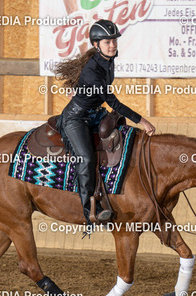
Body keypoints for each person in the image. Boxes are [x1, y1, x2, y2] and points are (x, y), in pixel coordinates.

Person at [54, 19, 155, 224]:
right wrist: (143, 121)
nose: (112, 45)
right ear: (96, 44)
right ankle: (89, 209)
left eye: (114, 41)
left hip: (95, 113)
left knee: (124, 133)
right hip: (76, 118)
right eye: (107, 42)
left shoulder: (108, 60)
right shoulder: (92, 71)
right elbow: (113, 103)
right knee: (86, 158)